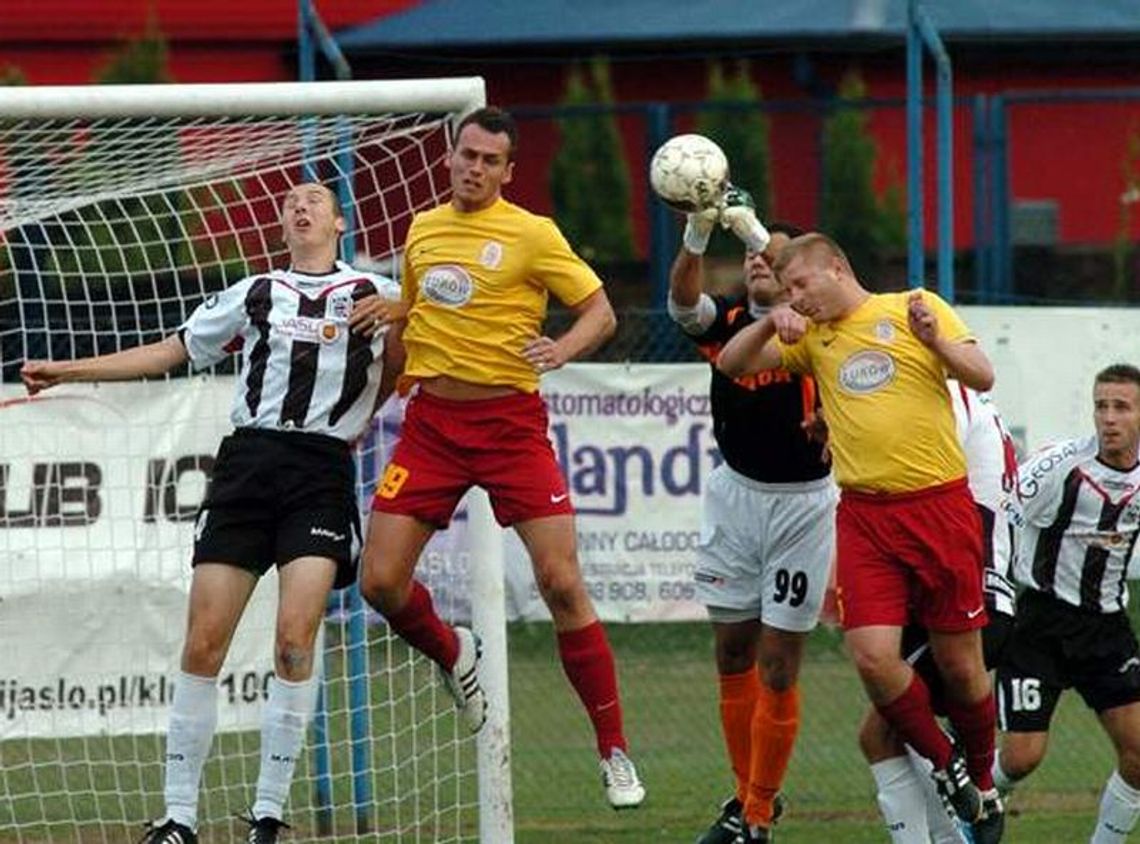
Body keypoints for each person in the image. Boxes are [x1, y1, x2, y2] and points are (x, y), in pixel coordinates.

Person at [21, 182, 404, 844]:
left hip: (319, 471)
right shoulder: (255, 292)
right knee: (203, 642)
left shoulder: (373, 293)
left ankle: (267, 816)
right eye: (291, 202)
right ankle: (178, 818)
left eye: (315, 199)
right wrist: (69, 369)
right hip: (247, 467)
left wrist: (398, 327)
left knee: (293, 640)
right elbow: (172, 351)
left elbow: (422, 343)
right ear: (284, 224)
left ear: (340, 221)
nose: (300, 207)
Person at [357, 106, 645, 809]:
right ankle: (456, 655)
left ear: (509, 172)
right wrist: (381, 386)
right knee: (379, 583)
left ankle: (614, 753)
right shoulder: (423, 229)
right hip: (432, 426)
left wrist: (562, 348)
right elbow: (420, 313)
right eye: (467, 155)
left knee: (562, 583)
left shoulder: (532, 234)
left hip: (511, 425)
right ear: (451, 157)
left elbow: (600, 312)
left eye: (490, 160)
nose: (475, 168)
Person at [717, 232, 1004, 843]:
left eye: (801, 286)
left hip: (939, 509)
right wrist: (773, 322)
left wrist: (936, 341)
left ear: (838, 269)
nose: (797, 298)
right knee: (873, 657)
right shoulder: (811, 340)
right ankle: (945, 763)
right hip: (866, 517)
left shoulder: (912, 307)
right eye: (787, 289)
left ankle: (981, 783)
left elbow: (983, 376)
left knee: (962, 669)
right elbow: (731, 364)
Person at [666, 200, 834, 844]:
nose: (759, 260)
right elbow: (683, 301)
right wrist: (698, 232)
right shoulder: (731, 320)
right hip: (735, 498)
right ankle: (748, 802)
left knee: (780, 664)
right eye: (752, 255)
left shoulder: (822, 329)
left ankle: (757, 813)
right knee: (732, 648)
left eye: (773, 254)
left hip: (802, 506)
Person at [859, 382, 1019, 843]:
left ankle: (973, 800)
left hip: (967, 600)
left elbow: (916, 478)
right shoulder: (973, 402)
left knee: (881, 735)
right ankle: (965, 810)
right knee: (896, 737)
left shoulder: (946, 396)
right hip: (965, 594)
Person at [992, 363, 1140, 844]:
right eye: (1102, 406)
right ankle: (971, 800)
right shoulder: (1059, 467)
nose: (1109, 418)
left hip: (1107, 629)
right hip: (1043, 625)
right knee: (1021, 758)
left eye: (1122, 407)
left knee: (1139, 754)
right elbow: (1001, 515)